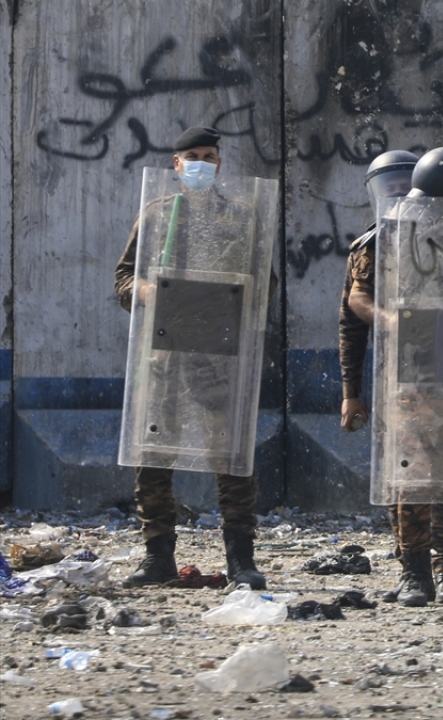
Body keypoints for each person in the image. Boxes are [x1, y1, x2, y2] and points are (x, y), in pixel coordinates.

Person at [341, 146, 443, 606]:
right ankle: (415, 574)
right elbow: (357, 298)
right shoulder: (388, 235)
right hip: (413, 377)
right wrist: (390, 320)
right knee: (413, 478)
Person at [114, 126, 270, 590]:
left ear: (220, 163)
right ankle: (157, 555)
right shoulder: (158, 214)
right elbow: (123, 277)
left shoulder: (241, 218)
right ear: (176, 165)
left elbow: (267, 282)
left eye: (210, 155)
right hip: (162, 355)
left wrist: (232, 301)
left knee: (231, 459)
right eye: (192, 157)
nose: (202, 163)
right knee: (153, 458)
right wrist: (143, 290)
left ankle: (241, 560)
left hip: (219, 356)